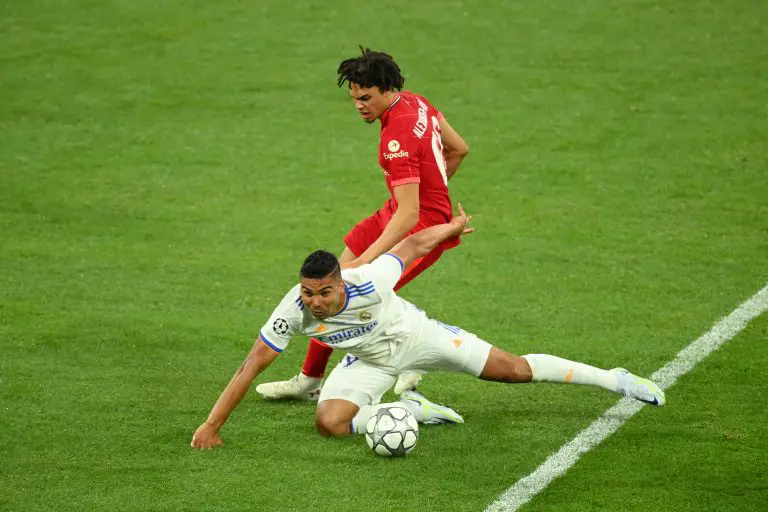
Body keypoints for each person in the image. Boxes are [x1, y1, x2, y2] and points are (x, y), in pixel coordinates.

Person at [191, 205, 665, 448]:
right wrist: (211, 425)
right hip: (372, 360)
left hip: (420, 338)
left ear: (340, 282)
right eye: (308, 293)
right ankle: (413, 410)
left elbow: (415, 244)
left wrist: (453, 226)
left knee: (515, 371)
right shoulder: (292, 309)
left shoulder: (369, 280)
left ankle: (614, 378)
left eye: (323, 293)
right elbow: (250, 365)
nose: (314, 302)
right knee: (329, 424)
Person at [255, 47, 471, 401]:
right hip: (402, 212)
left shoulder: (396, 138)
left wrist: (363, 263)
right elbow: (459, 148)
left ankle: (418, 356)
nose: (359, 105)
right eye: (354, 97)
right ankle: (309, 380)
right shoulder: (416, 102)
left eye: (366, 97)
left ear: (387, 90)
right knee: (335, 290)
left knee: (352, 293)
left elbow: (410, 215)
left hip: (418, 227)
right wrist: (436, 195)